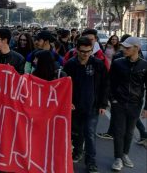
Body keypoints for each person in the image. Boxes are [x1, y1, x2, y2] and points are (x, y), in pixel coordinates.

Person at [63, 36, 109, 173]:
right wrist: (68, 102)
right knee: (76, 133)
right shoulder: (70, 64)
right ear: (77, 50)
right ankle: (77, 151)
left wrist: (102, 104)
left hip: (92, 106)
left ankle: (91, 162)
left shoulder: (98, 64)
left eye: (88, 51)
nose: (85, 54)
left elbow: (105, 85)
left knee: (89, 134)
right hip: (75, 106)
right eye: (82, 51)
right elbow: (64, 86)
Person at [109, 37, 147, 171]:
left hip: (135, 104)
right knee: (119, 131)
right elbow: (110, 83)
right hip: (118, 103)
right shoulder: (118, 63)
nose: (124, 49)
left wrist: (146, 108)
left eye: (127, 48)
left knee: (130, 132)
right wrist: (112, 99)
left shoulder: (144, 65)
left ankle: (125, 154)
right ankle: (118, 158)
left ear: (136, 48)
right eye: (123, 47)